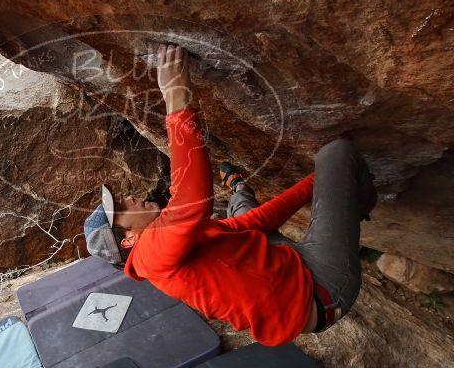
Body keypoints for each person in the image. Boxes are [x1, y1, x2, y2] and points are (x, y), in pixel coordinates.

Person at [83, 44, 376, 346]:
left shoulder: (172, 246)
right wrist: (175, 96)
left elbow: (254, 223)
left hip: (288, 266)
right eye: (122, 207)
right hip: (323, 287)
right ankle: (362, 204)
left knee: (241, 218)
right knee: (337, 153)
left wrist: (318, 182)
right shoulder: (148, 257)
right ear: (128, 239)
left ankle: (239, 188)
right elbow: (191, 199)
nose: (129, 197)